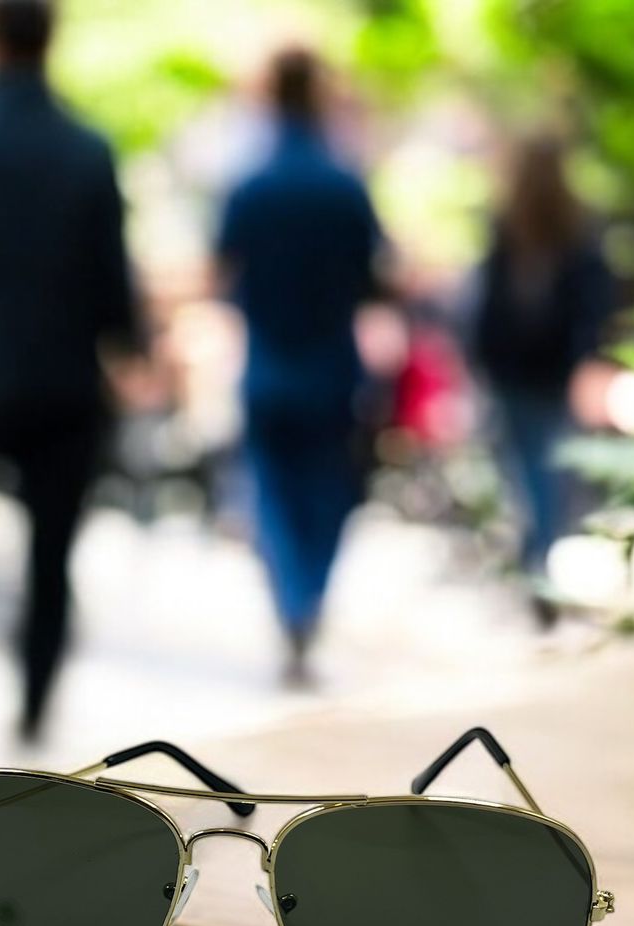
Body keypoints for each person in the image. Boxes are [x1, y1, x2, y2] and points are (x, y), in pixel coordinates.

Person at [0, 0, 143, 740]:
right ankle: (35, 688)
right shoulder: (86, 145)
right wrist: (129, 350)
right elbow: (113, 272)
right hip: (69, 375)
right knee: (53, 548)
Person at [217, 48, 383, 684]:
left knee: (273, 492)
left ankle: (292, 596)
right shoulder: (345, 185)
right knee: (327, 492)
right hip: (331, 366)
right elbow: (374, 275)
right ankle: (307, 593)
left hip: (268, 365)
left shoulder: (250, 185)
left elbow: (222, 268)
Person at [469, 135, 615, 611]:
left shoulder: (512, 225)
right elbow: (595, 308)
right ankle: (542, 554)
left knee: (530, 467)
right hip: (551, 369)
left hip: (521, 369)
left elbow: (487, 307)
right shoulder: (574, 229)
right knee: (549, 467)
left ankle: (540, 555)